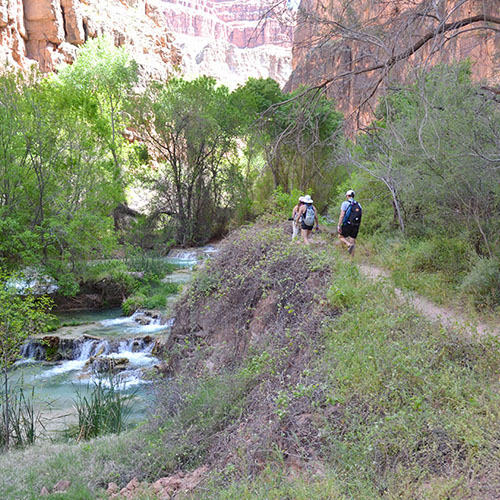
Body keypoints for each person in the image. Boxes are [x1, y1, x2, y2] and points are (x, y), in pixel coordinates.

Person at [338, 189, 362, 256]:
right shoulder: (358, 204)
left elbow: (342, 215)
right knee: (353, 241)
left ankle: (348, 244)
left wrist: (339, 225)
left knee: (340, 236)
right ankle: (352, 259)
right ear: (353, 196)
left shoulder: (345, 203)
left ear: (347, 196)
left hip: (348, 224)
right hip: (356, 225)